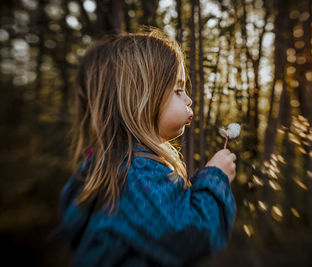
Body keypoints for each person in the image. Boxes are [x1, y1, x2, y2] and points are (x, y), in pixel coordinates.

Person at [53, 28, 237, 266]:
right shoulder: (136, 172)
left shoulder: (114, 165)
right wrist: (216, 179)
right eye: (178, 90)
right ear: (141, 100)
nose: (189, 99)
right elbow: (189, 237)